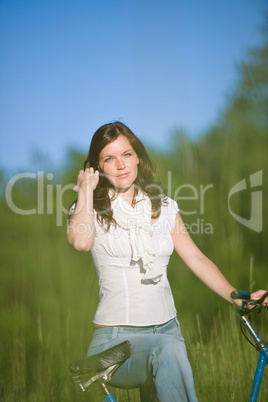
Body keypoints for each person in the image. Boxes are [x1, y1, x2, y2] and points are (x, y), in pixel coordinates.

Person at [67, 121, 267, 402]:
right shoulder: (90, 209)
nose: (121, 165)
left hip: (168, 331)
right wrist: (85, 191)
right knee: (167, 350)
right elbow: (80, 242)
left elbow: (197, 258)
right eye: (109, 159)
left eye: (126, 154)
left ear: (138, 156)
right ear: (98, 167)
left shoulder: (162, 206)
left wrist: (238, 299)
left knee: (168, 348)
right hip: (116, 340)